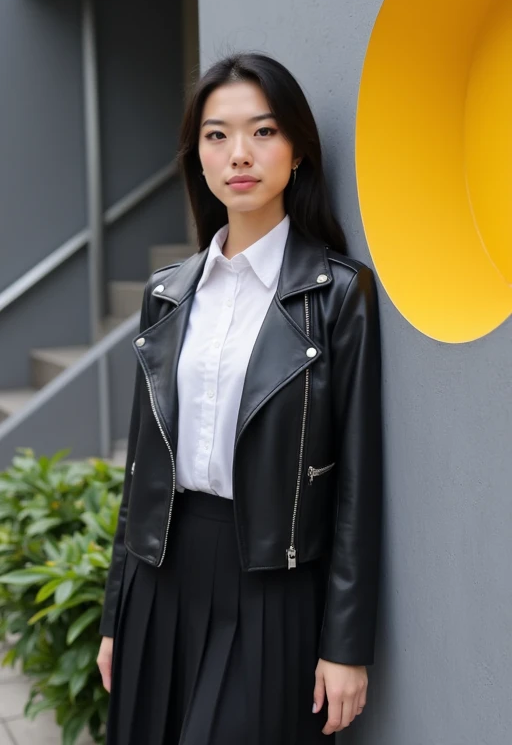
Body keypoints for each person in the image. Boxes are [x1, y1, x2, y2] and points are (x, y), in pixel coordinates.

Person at [96, 51, 383, 745]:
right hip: (159, 573)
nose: (240, 154)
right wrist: (115, 618)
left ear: (298, 151)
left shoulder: (337, 294)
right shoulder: (167, 294)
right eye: (217, 136)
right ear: (197, 158)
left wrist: (347, 644)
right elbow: (140, 469)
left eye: (264, 131)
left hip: (271, 582)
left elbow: (356, 485)